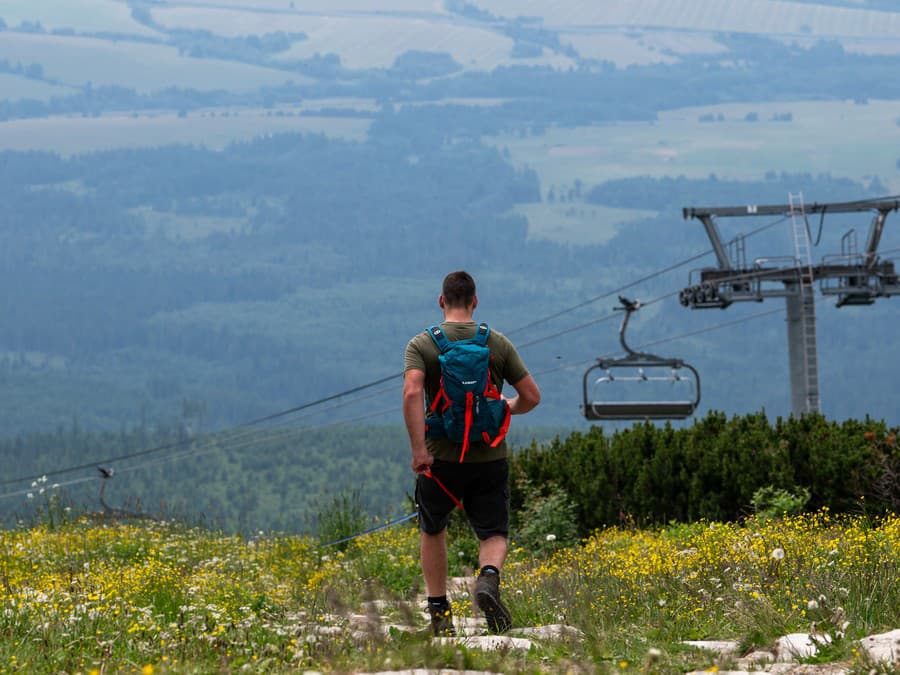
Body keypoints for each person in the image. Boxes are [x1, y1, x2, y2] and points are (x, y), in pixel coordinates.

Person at [402, 270, 541, 636]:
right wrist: (505, 407)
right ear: (475, 301)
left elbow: (412, 394)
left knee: (434, 530)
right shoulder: (495, 342)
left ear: (442, 301)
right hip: (489, 457)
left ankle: (440, 616)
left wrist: (419, 451)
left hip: (439, 460)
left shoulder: (423, 345)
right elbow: (532, 397)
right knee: (493, 532)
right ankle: (488, 580)